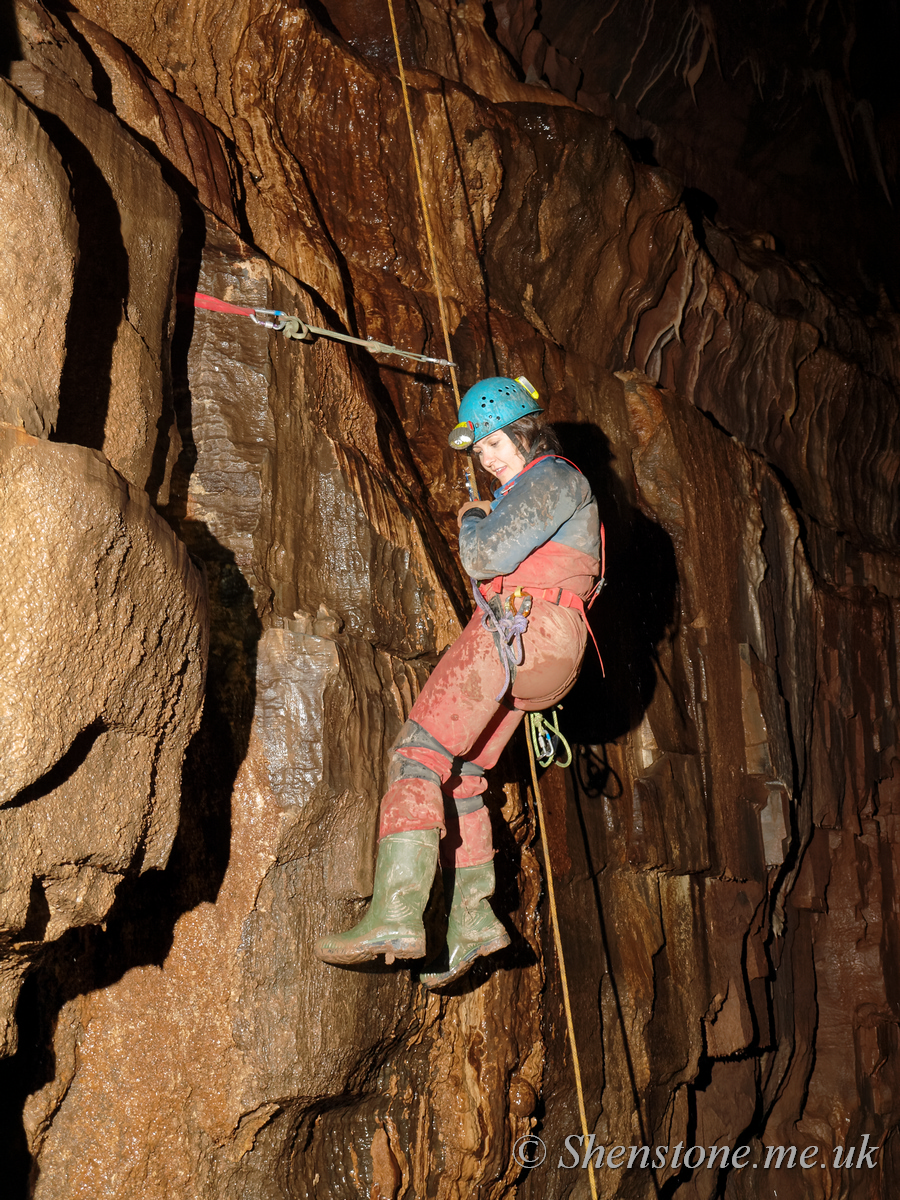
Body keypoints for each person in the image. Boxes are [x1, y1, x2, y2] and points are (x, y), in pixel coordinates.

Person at [315, 377, 602, 986]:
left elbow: (485, 555)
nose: (489, 460)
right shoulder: (555, 487)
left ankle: (394, 913)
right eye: (480, 454)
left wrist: (474, 517)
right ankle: (472, 921)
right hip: (549, 650)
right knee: (465, 774)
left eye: (495, 443)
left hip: (519, 627)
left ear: (523, 431)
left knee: (418, 754)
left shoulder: (553, 476)